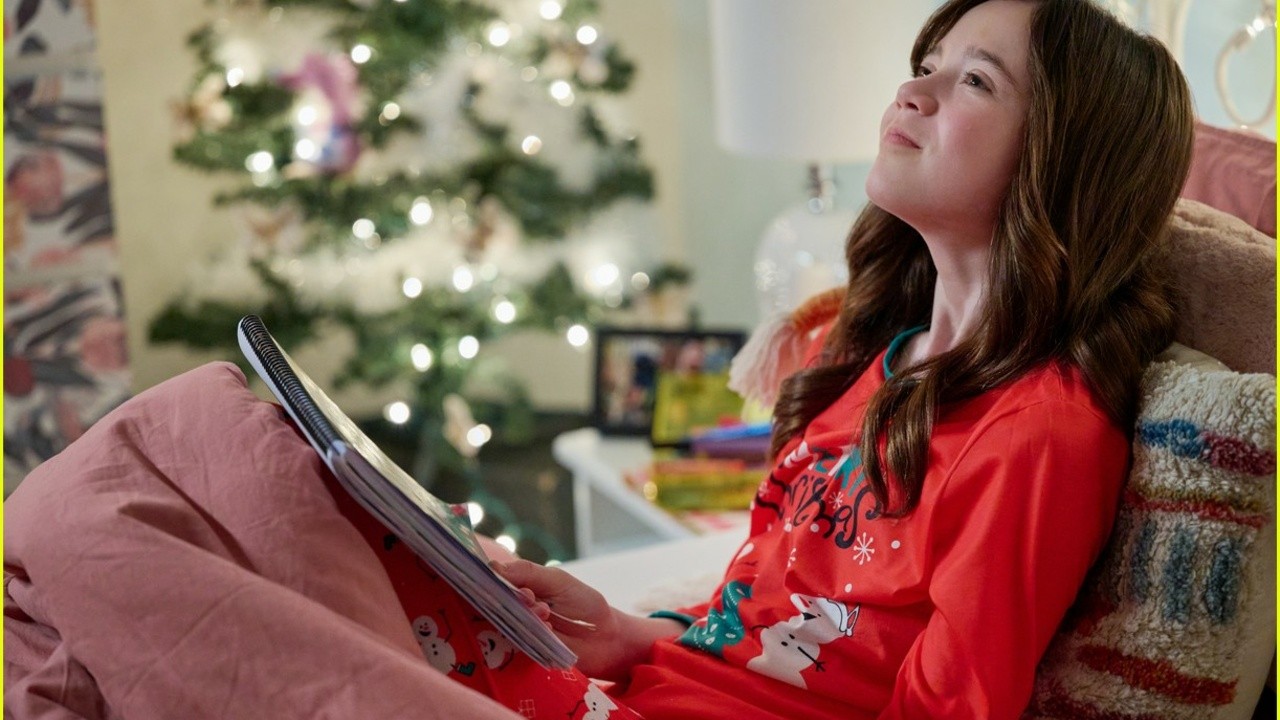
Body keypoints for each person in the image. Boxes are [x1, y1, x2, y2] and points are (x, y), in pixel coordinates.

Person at [3, 0, 1193, 718]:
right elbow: (759, 627)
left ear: (1061, 162)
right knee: (203, 440)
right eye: (927, 56)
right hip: (606, 686)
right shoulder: (863, 361)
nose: (915, 86)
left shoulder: (1040, 429)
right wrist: (626, 628)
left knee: (95, 520)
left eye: (971, 78)